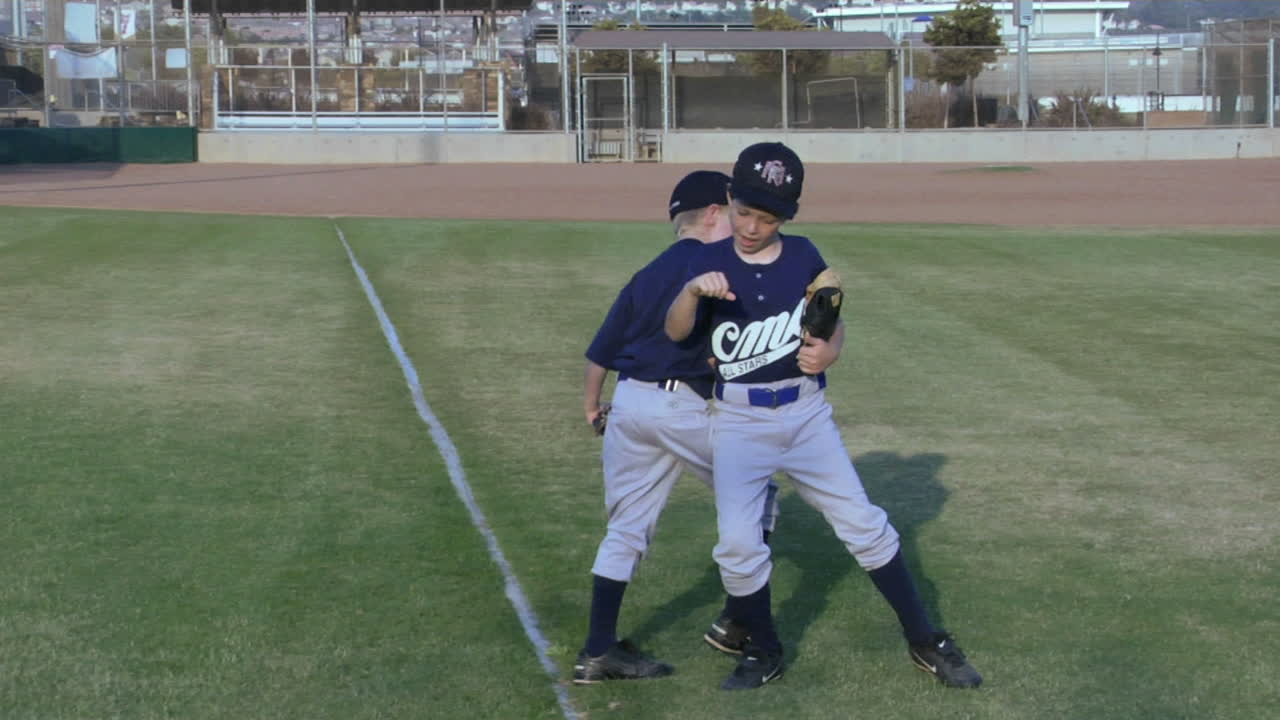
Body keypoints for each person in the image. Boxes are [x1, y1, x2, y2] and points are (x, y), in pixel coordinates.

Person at [665, 142, 982, 691]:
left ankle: (926, 639)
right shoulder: (708, 261)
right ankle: (763, 650)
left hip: (807, 414)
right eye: (744, 212)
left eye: (767, 218)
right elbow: (675, 331)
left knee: (864, 525)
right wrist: (693, 292)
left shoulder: (805, 255)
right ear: (729, 201)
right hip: (739, 421)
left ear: (787, 217)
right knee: (738, 545)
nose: (752, 227)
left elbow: (830, 318)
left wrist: (831, 350)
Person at [574, 171, 781, 684]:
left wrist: (593, 406)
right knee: (761, 496)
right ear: (714, 213)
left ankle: (598, 650)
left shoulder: (647, 272)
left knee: (625, 530)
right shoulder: (717, 266)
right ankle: (738, 622)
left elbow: (601, 350)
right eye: (734, 209)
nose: (742, 221)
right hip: (683, 408)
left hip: (629, 405)